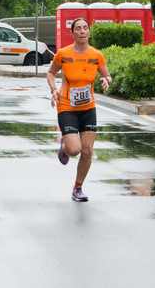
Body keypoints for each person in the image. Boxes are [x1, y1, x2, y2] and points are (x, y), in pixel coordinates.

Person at [46, 17, 112, 202]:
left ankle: (78, 188)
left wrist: (106, 80)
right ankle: (65, 147)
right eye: (78, 28)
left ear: (89, 32)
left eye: (85, 28)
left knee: (88, 150)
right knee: (75, 150)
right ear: (73, 33)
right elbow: (51, 73)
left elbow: (107, 75)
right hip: (67, 106)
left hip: (88, 107)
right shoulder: (63, 54)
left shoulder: (97, 55)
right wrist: (53, 90)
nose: (82, 31)